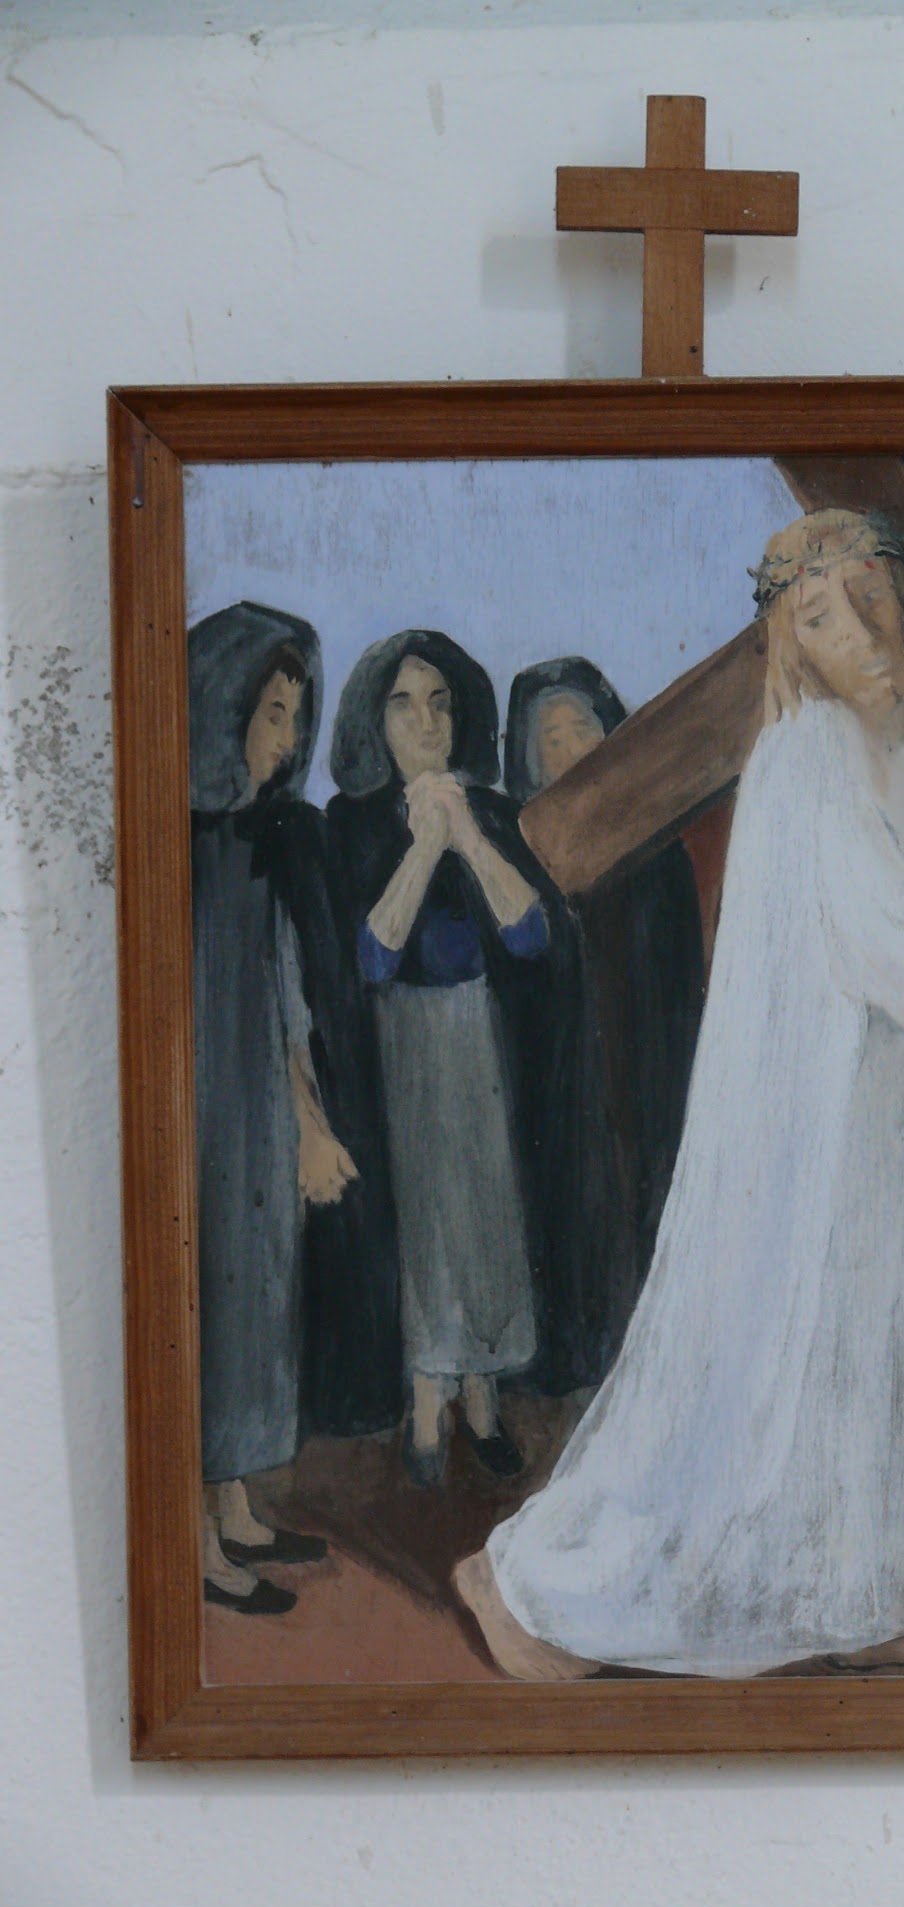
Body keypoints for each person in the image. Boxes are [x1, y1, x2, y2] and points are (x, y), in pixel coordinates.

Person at [454, 510, 904, 1681]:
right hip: (800, 1119)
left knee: (892, 1354)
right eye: (828, 616)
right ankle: (531, 1579)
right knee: (753, 1366)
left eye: (876, 597)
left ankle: (868, 1599)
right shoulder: (808, 751)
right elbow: (889, 931)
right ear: (794, 643)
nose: (868, 632)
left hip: (901, 1109)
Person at [327, 630, 550, 1485]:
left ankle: (483, 1399)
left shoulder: (489, 811)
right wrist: (423, 844)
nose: (425, 722)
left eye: (440, 702)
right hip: (402, 1040)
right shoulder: (352, 822)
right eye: (403, 704)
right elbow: (373, 955)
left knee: (488, 1212)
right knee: (426, 1217)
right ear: (375, 721)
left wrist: (465, 834)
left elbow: (528, 936)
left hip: (482, 1030)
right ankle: (428, 1400)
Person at [190, 602, 350, 1615]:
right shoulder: (187, 842)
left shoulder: (260, 837)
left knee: (255, 1300)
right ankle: (200, 1544)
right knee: (209, 1305)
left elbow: (286, 989)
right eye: (272, 714)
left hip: (256, 1106)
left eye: (295, 716)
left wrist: (307, 1121)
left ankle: (237, 1504)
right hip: (206, 1114)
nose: (287, 740)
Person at [504, 657, 706, 1345]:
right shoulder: (522, 850)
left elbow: (682, 969)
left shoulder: (656, 840)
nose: (570, 749)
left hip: (652, 1052)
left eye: (581, 728)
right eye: (551, 738)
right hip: (566, 1068)